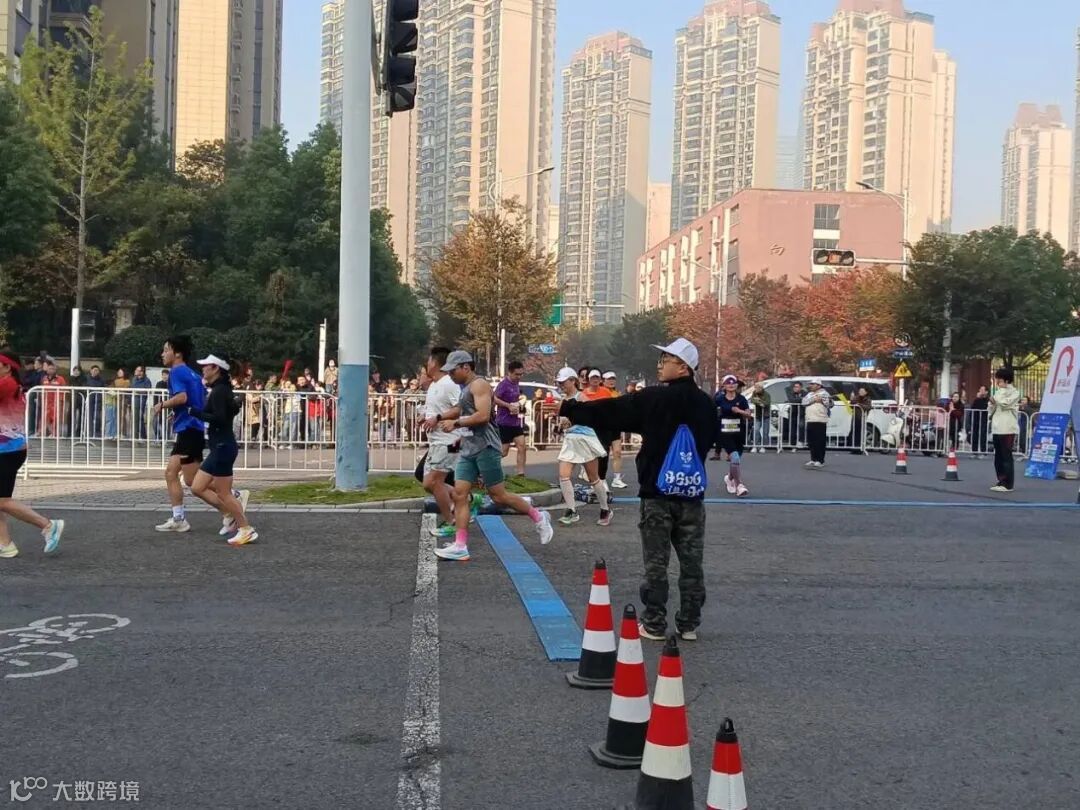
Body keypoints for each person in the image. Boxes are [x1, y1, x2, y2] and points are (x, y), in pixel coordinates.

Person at [559, 338, 715, 641]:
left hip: (656, 492)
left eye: (666, 359)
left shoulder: (654, 398)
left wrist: (572, 408)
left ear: (683, 367)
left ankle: (654, 622)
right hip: (692, 494)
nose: (660, 364)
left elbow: (612, 410)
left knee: (656, 563)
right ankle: (689, 623)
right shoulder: (707, 404)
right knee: (692, 561)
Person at [432, 351, 553, 561]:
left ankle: (539, 516)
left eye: (452, 371)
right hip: (469, 448)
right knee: (459, 494)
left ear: (466, 367)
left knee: (498, 496)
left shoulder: (479, 385)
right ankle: (460, 546)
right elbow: (461, 408)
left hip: (486, 447)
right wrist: (438, 417)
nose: (450, 375)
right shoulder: (465, 388)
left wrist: (455, 423)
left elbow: (482, 416)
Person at [153, 336, 246, 534]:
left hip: (189, 430)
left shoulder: (176, 372)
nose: (162, 354)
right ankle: (180, 517)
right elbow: (199, 400)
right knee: (173, 473)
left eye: (166, 350)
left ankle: (231, 507)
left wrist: (162, 405)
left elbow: (182, 397)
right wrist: (179, 413)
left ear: (177, 353)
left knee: (193, 483)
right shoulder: (192, 373)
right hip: (190, 429)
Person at [0, 350, 65, 558]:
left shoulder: (7, 384)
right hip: (10, 449)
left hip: (7, 451)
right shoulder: (11, 384)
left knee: (2, 501)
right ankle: (5, 544)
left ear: (7, 367)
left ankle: (48, 525)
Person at [190, 355, 258, 545]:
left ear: (216, 369)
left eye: (206, 366)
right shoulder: (220, 389)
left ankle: (245, 528)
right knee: (197, 487)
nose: (203, 369)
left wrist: (194, 412)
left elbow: (219, 418)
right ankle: (231, 513)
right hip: (219, 446)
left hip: (223, 447)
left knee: (224, 493)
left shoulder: (220, 391)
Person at [553, 367, 612, 526]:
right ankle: (571, 510)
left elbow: (592, 418)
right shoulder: (562, 401)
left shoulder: (582, 397)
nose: (561, 385)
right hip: (570, 440)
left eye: (563, 382)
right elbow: (562, 421)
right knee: (563, 475)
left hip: (584, 439)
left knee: (594, 478)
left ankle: (605, 509)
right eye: (559, 383)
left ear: (573, 381)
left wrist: (574, 420)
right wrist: (562, 426)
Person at [421, 347, 467, 538]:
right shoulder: (434, 384)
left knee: (434, 481)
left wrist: (438, 418)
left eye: (429, 361)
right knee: (427, 483)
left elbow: (460, 408)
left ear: (435, 363)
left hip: (450, 441)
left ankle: (451, 520)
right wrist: (426, 417)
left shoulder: (449, 383)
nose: (427, 364)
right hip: (436, 442)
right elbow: (437, 409)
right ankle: (465, 499)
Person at [715, 374, 752, 496]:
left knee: (736, 460)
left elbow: (748, 415)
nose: (731, 385)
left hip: (739, 432)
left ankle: (729, 477)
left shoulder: (742, 399)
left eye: (733, 383)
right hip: (724, 432)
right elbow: (711, 411)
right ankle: (739, 485)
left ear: (736, 385)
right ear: (724, 386)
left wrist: (739, 411)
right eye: (728, 383)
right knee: (734, 457)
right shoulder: (719, 399)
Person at [494, 360, 528, 478]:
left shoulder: (517, 384)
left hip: (515, 422)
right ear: (510, 372)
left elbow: (516, 399)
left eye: (521, 374)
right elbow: (494, 398)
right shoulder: (503, 384)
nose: (519, 377)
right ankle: (485, 468)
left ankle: (520, 474)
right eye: (516, 374)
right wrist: (508, 405)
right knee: (504, 452)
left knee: (522, 446)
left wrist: (519, 406)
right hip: (504, 422)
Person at [989, 368, 1021, 493]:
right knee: (998, 456)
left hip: (1008, 428)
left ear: (1007, 381)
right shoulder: (998, 392)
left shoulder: (1015, 393)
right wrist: (992, 403)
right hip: (997, 427)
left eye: (1000, 381)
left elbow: (1004, 404)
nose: (998, 383)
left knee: (1006, 456)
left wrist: (998, 396)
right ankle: (1001, 480)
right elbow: (992, 408)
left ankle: (1008, 484)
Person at [602, 372, 628, 489]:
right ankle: (601, 479)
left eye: (613, 379)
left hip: (615, 427)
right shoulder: (600, 393)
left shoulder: (617, 394)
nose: (611, 381)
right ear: (603, 381)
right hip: (603, 427)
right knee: (603, 455)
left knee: (617, 452)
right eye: (608, 379)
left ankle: (617, 479)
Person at [802, 379, 832, 469]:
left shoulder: (825, 393)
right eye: (810, 384)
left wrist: (822, 400)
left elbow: (830, 404)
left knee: (819, 441)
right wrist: (814, 399)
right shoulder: (809, 394)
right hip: (810, 419)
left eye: (813, 384)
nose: (811, 386)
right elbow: (804, 402)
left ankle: (820, 460)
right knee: (811, 441)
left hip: (820, 419)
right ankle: (813, 459)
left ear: (818, 385)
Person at [40, 360, 67, 437]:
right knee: (46, 417)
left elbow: (64, 390)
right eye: (50, 369)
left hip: (57, 401)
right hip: (47, 401)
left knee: (56, 418)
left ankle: (55, 433)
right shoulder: (44, 378)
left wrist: (61, 400)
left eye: (53, 369)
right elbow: (41, 389)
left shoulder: (60, 379)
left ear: (55, 370)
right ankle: (50, 431)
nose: (51, 370)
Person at [131, 366, 153, 440]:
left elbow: (148, 390)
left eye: (138, 370)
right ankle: (139, 435)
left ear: (142, 372)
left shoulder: (146, 380)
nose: (136, 371)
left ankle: (140, 436)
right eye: (136, 370)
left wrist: (137, 391)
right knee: (136, 418)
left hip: (141, 400)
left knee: (139, 417)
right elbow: (132, 388)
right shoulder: (134, 379)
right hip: (134, 400)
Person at [968, 385, 990, 457]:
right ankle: (974, 452)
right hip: (976, 419)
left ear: (986, 392)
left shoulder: (988, 400)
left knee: (983, 436)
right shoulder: (977, 399)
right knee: (974, 435)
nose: (980, 391)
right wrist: (977, 398)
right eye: (980, 389)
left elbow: (984, 407)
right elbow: (973, 407)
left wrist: (979, 399)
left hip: (983, 420)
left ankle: (983, 452)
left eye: (982, 390)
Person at [749, 381, 771, 453]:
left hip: (765, 415)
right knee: (756, 430)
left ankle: (763, 446)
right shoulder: (754, 393)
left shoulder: (767, 394)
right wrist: (759, 402)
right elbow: (752, 400)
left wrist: (759, 400)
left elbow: (766, 403)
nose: (756, 389)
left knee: (765, 432)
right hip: (758, 415)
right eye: (755, 387)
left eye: (757, 387)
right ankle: (755, 446)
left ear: (761, 388)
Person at [849, 385, 872, 454]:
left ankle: (859, 449)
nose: (860, 392)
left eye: (862, 391)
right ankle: (853, 449)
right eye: (859, 391)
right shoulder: (856, 397)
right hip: (855, 417)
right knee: (853, 433)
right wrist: (851, 399)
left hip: (862, 418)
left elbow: (868, 407)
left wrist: (859, 405)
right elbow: (851, 406)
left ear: (866, 392)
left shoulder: (868, 399)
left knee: (860, 433)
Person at [786, 381, 805, 451]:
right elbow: (791, 400)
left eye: (797, 387)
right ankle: (793, 445)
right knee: (792, 429)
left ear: (801, 388)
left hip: (802, 413)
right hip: (793, 413)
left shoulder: (805, 393)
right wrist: (801, 399)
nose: (795, 388)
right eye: (794, 387)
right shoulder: (791, 393)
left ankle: (800, 441)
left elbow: (806, 400)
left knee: (801, 427)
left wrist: (800, 399)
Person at [87, 365, 106, 437]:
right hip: (90, 400)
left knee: (97, 417)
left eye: (97, 370)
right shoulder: (87, 379)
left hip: (98, 400)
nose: (95, 372)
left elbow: (104, 388)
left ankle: (97, 433)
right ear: (91, 371)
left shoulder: (101, 380)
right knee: (89, 416)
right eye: (94, 370)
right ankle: (90, 433)